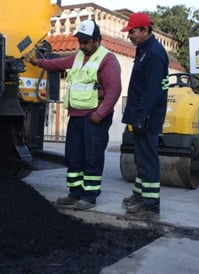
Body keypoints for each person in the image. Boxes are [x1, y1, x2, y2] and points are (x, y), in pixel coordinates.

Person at [28, 19, 121, 210]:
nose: (83, 45)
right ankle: (74, 193)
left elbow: (114, 90)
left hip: (94, 117)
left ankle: (89, 197)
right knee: (74, 155)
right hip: (77, 116)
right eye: (81, 41)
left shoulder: (107, 59)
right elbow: (59, 64)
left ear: (97, 40)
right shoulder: (78, 56)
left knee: (92, 157)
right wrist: (39, 63)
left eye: (86, 42)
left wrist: (100, 114)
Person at [120, 12, 169, 218]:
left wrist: (141, 116)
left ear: (146, 30)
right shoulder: (143, 50)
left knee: (148, 159)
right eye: (129, 32)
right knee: (141, 158)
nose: (129, 35)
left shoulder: (155, 54)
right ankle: (140, 196)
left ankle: (151, 206)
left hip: (148, 116)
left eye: (133, 31)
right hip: (141, 114)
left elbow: (153, 90)